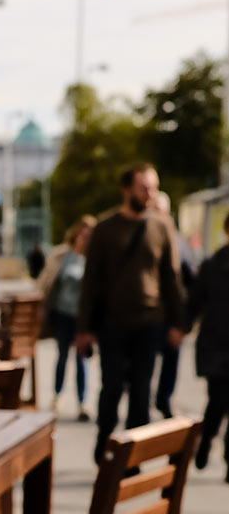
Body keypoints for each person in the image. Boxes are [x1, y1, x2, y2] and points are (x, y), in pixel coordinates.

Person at [75, 163, 187, 465]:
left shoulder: (162, 226)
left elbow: (171, 278)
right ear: (127, 189)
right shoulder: (105, 227)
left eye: (153, 187)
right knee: (111, 387)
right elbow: (91, 281)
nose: (150, 193)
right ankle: (104, 443)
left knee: (141, 392)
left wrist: (179, 323)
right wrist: (84, 329)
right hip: (113, 324)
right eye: (143, 187)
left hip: (150, 323)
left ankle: (131, 457)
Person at [37, 216, 95, 419]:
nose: (85, 239)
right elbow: (46, 281)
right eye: (83, 234)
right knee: (62, 356)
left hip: (82, 318)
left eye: (89, 236)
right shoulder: (62, 255)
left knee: (81, 360)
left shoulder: (94, 258)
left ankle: (82, 403)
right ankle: (57, 395)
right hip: (62, 313)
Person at [190, 210, 229, 477]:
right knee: (217, 402)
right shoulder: (213, 264)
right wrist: (179, 328)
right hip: (217, 345)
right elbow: (195, 302)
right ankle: (205, 439)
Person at [152, 191, 196, 418]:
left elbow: (190, 281)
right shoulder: (141, 238)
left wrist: (184, 322)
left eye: (159, 209)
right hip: (147, 315)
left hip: (171, 316)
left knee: (170, 360)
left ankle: (163, 398)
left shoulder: (179, 242)